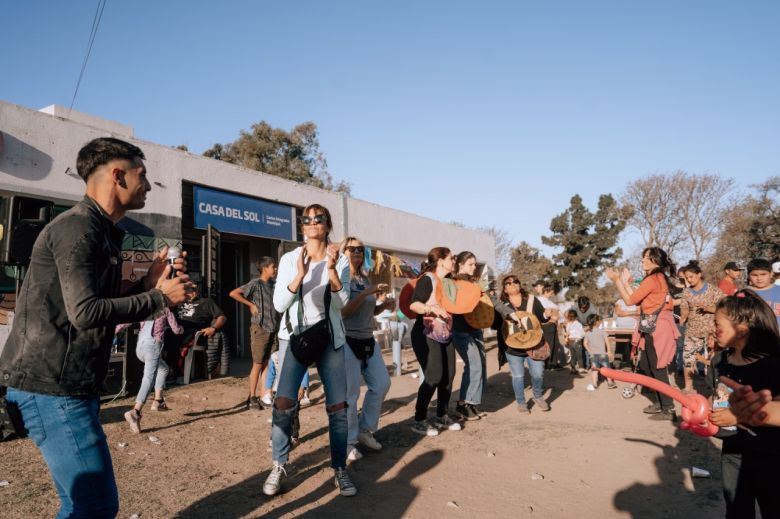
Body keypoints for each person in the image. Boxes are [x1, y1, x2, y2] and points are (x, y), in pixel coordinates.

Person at [0, 137, 192, 518]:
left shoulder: (97, 230)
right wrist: (159, 298)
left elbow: (97, 305)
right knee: (95, 505)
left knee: (83, 504)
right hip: (52, 387)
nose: (149, 185)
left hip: (65, 385)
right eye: (143, 175)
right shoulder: (79, 229)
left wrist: (147, 284)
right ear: (118, 175)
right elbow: (86, 313)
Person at [263, 204, 357, 497]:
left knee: (338, 407)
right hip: (295, 338)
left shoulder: (338, 258)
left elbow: (341, 304)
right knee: (283, 404)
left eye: (319, 218)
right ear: (302, 226)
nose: (313, 222)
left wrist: (330, 269)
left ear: (327, 225)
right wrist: (299, 275)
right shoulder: (291, 258)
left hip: (329, 339)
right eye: (307, 219)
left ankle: (339, 469)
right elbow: (279, 304)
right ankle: (279, 464)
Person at [706, 290, 780, 518]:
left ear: (742, 328)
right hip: (733, 454)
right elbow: (714, 396)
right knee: (737, 511)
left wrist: (738, 417)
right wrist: (703, 410)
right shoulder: (719, 362)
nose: (713, 329)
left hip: (772, 456)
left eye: (718, 324)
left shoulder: (772, 365)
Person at [607, 247, 680, 421]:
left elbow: (630, 301)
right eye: (643, 258)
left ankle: (668, 408)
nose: (643, 261)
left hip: (657, 327)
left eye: (647, 258)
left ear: (655, 261)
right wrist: (624, 283)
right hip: (653, 325)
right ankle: (661, 402)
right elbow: (637, 298)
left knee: (657, 368)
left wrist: (616, 280)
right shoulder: (657, 277)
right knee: (647, 366)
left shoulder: (654, 278)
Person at [340, 237, 392, 461]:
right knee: (351, 395)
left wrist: (383, 306)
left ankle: (364, 430)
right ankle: (349, 442)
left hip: (368, 339)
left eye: (360, 249)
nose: (357, 252)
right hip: (347, 340)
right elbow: (343, 312)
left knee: (382, 384)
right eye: (351, 249)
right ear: (343, 252)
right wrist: (365, 294)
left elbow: (367, 312)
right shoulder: (340, 279)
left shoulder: (363, 277)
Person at [408, 247, 462, 436]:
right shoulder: (427, 279)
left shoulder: (447, 282)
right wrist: (431, 309)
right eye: (451, 258)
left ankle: (441, 415)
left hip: (445, 333)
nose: (454, 261)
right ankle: (419, 419)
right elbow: (413, 304)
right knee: (434, 375)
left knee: (449, 375)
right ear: (440, 261)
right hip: (426, 332)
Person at [121, 308, 183, 433]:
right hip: (153, 347)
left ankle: (158, 400)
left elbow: (125, 323)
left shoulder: (144, 308)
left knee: (163, 369)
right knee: (148, 378)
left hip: (140, 348)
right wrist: (182, 329)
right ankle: (136, 411)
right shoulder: (166, 310)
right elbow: (176, 330)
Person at [229, 256, 279, 410]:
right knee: (257, 363)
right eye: (273, 267)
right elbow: (234, 293)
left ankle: (265, 395)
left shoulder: (274, 285)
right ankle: (251, 397)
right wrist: (250, 304)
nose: (276, 269)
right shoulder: (255, 284)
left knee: (268, 363)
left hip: (273, 328)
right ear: (265, 268)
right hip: (260, 327)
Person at [496, 275, 551, 413]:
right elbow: (496, 325)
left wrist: (546, 315)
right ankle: (521, 403)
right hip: (513, 348)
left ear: (520, 285)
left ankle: (538, 396)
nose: (512, 284)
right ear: (505, 289)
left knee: (538, 373)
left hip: (534, 345)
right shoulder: (501, 304)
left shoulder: (531, 300)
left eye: (515, 282)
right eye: (508, 283)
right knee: (518, 376)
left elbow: (541, 319)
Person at [451, 251, 487, 420]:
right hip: (460, 329)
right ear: (460, 264)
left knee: (480, 366)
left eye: (475, 264)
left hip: (476, 328)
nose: (474, 267)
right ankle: (462, 404)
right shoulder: (453, 282)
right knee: (474, 365)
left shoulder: (474, 282)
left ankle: (471, 404)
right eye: (471, 264)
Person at [679, 261, 723, 393]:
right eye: (686, 278)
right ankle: (688, 386)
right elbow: (684, 307)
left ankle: (713, 387)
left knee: (712, 360)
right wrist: (684, 316)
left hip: (711, 333)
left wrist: (708, 308)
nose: (688, 280)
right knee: (687, 358)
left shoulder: (714, 290)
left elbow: (723, 308)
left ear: (699, 274)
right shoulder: (686, 292)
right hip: (692, 331)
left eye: (691, 276)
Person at [174, 284, 229, 379]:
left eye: (194, 289)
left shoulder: (206, 302)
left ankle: (177, 373)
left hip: (192, 333)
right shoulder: (178, 303)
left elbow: (222, 317)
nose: (191, 292)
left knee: (172, 340)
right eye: (187, 289)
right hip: (175, 329)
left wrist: (213, 328)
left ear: (198, 291)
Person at [583, 314, 616, 391]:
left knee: (594, 370)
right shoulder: (602, 331)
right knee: (607, 368)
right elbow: (607, 342)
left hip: (593, 355)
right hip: (603, 354)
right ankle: (610, 382)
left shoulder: (587, 333)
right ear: (597, 322)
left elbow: (585, 343)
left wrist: (590, 351)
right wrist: (609, 351)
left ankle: (594, 384)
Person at [746, 258, 780, 327]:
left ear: (771, 274)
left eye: (763, 274)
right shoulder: (744, 293)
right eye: (754, 275)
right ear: (749, 275)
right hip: (754, 334)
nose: (759, 278)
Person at [564, 309, 586, 374]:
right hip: (577, 341)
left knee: (573, 356)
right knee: (579, 356)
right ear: (576, 316)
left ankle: (573, 368)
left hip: (571, 341)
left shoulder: (568, 325)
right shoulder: (579, 324)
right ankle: (581, 368)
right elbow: (582, 334)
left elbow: (567, 332)